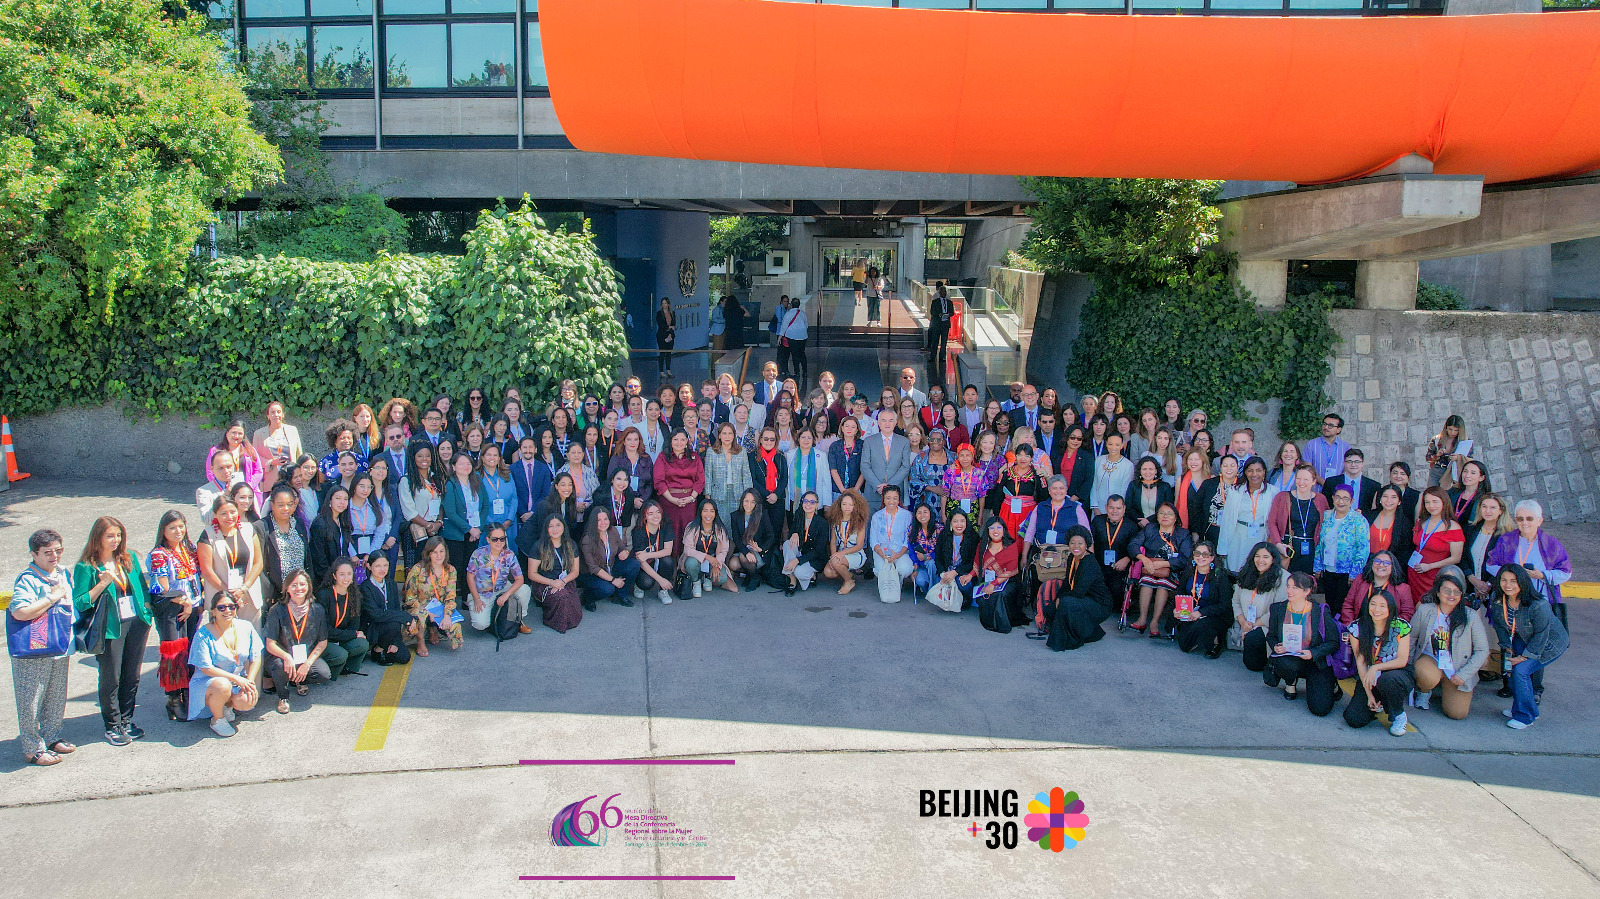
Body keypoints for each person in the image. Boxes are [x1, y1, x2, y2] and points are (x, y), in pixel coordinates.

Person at [70, 516, 153, 747]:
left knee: (132, 674)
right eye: (109, 536)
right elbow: (81, 602)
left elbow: (142, 588)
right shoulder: (86, 567)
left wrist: (146, 611)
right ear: (97, 538)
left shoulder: (130, 559)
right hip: (110, 627)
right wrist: (102, 583)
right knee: (111, 677)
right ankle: (112, 725)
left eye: (118, 535)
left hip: (136, 622)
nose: (115, 540)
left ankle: (126, 720)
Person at [9, 530, 78, 764]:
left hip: (59, 643)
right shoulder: (28, 579)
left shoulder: (62, 572)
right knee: (31, 698)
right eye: (47, 552)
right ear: (34, 554)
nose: (54, 556)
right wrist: (52, 597)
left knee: (56, 693)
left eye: (58, 551)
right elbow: (19, 611)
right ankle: (32, 747)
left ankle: (51, 736)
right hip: (34, 647)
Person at [1486, 563, 1569, 729]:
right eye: (1504, 580)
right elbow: (1500, 627)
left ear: (1522, 582)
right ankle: (1521, 708)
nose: (1508, 585)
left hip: (1548, 643)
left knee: (1521, 671)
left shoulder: (1538, 605)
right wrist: (1508, 650)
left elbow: (1542, 635)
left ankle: (1526, 716)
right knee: (1511, 670)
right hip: (1522, 637)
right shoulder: (1497, 601)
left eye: (1513, 581)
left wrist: (1524, 657)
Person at [1408, 572, 1490, 720]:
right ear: (1438, 593)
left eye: (1456, 591)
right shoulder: (1425, 610)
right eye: (1446, 590)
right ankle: (1424, 690)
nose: (1451, 595)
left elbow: (1482, 649)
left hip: (1458, 668)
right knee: (1425, 674)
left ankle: (1447, 688)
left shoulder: (1470, 616)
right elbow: (1411, 638)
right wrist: (1408, 665)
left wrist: (1464, 674)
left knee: (1457, 713)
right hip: (1431, 660)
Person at [147, 510, 204, 722]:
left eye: (181, 526)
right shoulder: (159, 555)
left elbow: (197, 578)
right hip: (172, 610)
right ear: (163, 530)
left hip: (193, 608)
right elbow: (162, 588)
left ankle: (188, 692)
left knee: (189, 649)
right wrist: (185, 602)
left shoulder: (189, 549)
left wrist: (199, 602)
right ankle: (173, 699)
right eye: (172, 528)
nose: (178, 531)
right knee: (174, 652)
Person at [1258, 572, 1342, 715]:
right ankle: (1291, 683)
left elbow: (1333, 642)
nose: (1289, 591)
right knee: (1283, 662)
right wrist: (1275, 646)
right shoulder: (1278, 609)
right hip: (1291, 657)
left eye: (1295, 587)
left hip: (1316, 660)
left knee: (1320, 709)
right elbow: (1271, 635)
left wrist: (1313, 653)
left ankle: (1331, 684)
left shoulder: (1320, 611)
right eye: (1288, 586)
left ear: (1307, 591)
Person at [185, 589, 264, 738]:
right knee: (223, 685)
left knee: (247, 701)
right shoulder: (203, 634)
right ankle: (217, 719)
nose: (227, 610)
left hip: (236, 680)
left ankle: (227, 706)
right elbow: (206, 668)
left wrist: (250, 681)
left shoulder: (245, 627)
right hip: (208, 682)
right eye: (221, 607)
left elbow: (256, 656)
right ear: (213, 611)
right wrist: (236, 679)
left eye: (231, 606)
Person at [1342, 589, 1415, 736]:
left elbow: (1402, 660)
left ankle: (1398, 715)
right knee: (1353, 719)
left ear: (1390, 608)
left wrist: (1376, 667)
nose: (1377, 609)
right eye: (1373, 604)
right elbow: (1361, 662)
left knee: (1387, 680)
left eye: (1382, 605)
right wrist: (1369, 695)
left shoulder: (1401, 626)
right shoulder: (1357, 628)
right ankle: (1379, 702)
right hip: (1370, 676)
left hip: (1396, 674)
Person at [261, 569, 331, 713]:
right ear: (287, 588)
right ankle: (283, 696)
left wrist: (307, 664)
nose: (298, 588)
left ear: (308, 587)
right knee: (280, 666)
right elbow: (270, 644)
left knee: (323, 674)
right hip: (281, 656)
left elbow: (322, 642)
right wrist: (286, 656)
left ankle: (300, 680)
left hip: (304, 656)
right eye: (293, 585)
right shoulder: (277, 610)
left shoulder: (317, 610)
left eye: (302, 584)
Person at [1484, 499, 1573, 609]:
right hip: (1511, 601)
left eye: (1529, 518)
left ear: (1539, 521)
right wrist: (1511, 575)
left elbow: (1565, 573)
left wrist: (1541, 575)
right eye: (1520, 519)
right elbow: (1490, 565)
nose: (1524, 523)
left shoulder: (1551, 544)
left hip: (1541, 603)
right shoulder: (1506, 540)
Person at [1039, 527, 1113, 651]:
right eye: (1072, 543)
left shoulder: (1089, 562)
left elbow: (1079, 591)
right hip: (1084, 598)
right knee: (1050, 609)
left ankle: (1066, 641)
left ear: (1086, 545)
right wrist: (1057, 600)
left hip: (1100, 604)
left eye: (1080, 543)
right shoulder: (1072, 558)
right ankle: (1093, 632)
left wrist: (1061, 600)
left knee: (1066, 603)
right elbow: (1068, 584)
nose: (1076, 546)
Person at [1127, 502, 1193, 636]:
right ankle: (1142, 619)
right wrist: (1144, 559)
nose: (1165, 516)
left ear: (1175, 517)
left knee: (1162, 584)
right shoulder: (1150, 529)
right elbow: (1133, 545)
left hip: (1172, 571)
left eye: (1169, 514)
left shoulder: (1183, 534)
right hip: (1150, 568)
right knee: (1147, 581)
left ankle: (1155, 622)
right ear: (1157, 516)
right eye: (1162, 513)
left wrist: (1164, 564)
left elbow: (1185, 558)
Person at [1313, 483, 1370, 618]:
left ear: (1351, 501)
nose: (1341, 501)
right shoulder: (1326, 517)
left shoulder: (1358, 520)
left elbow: (1363, 549)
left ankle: (1341, 634)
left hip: (1347, 574)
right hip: (1328, 570)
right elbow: (1320, 543)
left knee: (1343, 607)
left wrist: (1355, 573)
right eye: (1338, 497)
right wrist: (1318, 566)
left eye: (1345, 498)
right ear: (1332, 498)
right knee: (1330, 605)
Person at [1172, 541, 1234, 659]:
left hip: (1215, 614)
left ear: (1212, 558)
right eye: (1197, 553)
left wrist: (1201, 613)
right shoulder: (1189, 571)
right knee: (1185, 645)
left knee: (1201, 626)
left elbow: (1224, 604)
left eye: (1205, 554)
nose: (1200, 557)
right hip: (1192, 612)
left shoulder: (1219, 576)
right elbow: (1181, 592)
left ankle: (1217, 641)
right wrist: (1177, 608)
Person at [1217, 457, 1276, 573]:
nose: (1254, 474)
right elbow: (1227, 520)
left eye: (1258, 470)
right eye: (1250, 470)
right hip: (1239, 536)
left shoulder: (1273, 492)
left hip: (1261, 535)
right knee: (1237, 570)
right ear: (1245, 472)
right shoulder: (1235, 491)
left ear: (1264, 472)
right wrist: (1222, 549)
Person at [404, 536, 461, 654]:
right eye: (434, 552)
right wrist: (427, 612)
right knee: (420, 615)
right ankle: (420, 641)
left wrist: (446, 615)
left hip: (439, 607)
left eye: (441, 551)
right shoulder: (418, 569)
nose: (439, 555)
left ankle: (433, 630)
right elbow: (409, 598)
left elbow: (451, 596)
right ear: (428, 553)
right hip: (420, 606)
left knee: (455, 627)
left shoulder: (451, 570)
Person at [1267, 465, 1328, 576]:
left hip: (1310, 550)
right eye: (1299, 478)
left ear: (1314, 481)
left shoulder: (1321, 499)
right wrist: (1278, 544)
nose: (1301, 482)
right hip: (1287, 549)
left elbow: (1328, 521)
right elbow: (1272, 522)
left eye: (1306, 479)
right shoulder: (1282, 497)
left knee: (1305, 584)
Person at [315, 558, 370, 680]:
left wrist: (352, 634)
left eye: (349, 574)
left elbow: (354, 626)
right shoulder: (324, 595)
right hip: (324, 640)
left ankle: (346, 668)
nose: (346, 578)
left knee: (362, 644)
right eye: (342, 574)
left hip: (341, 638)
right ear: (334, 576)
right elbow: (325, 630)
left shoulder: (354, 595)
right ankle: (330, 669)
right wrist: (352, 634)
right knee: (341, 653)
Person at [1235, 543, 1286, 667]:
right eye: (1257, 556)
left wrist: (1254, 625)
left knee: (1253, 664)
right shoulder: (1246, 573)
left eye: (1265, 557)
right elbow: (1235, 601)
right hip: (1246, 624)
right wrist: (1242, 622)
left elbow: (1279, 609)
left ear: (1273, 559)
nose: (1260, 560)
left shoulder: (1282, 578)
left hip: (1267, 626)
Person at [1409, 487, 1464, 600]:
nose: (1431, 506)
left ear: (1444, 502)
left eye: (1435, 501)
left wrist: (1430, 566)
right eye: (1427, 502)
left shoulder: (1453, 527)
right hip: (1414, 574)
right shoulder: (1421, 521)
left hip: (1435, 576)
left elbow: (1456, 558)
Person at [973, 517, 1026, 633]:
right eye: (991, 527)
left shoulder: (1011, 545)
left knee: (1000, 594)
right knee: (983, 596)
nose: (995, 530)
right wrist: (969, 575)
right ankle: (990, 622)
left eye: (998, 527)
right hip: (988, 579)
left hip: (1008, 581)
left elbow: (1010, 571)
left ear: (1004, 529)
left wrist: (994, 584)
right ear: (987, 530)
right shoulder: (983, 545)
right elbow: (978, 563)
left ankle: (1002, 623)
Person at [359, 551, 412, 666]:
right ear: (369, 566)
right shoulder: (365, 587)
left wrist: (396, 641)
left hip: (389, 629)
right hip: (372, 627)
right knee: (393, 623)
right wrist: (405, 617)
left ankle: (381, 649)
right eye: (377, 566)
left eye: (385, 565)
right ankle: (378, 648)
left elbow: (395, 610)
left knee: (404, 657)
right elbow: (376, 614)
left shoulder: (391, 584)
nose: (382, 569)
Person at [654, 429, 705, 542]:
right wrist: (672, 499)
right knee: (671, 533)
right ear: (670, 441)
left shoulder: (694, 457)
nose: (679, 443)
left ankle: (687, 559)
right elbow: (659, 481)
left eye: (682, 439)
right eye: (675, 439)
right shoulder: (663, 457)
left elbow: (700, 480)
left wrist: (691, 498)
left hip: (689, 502)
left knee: (688, 534)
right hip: (669, 502)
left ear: (687, 441)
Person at [681, 498, 737, 597]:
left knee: (722, 579)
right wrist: (706, 557)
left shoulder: (720, 529)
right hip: (696, 560)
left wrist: (717, 565)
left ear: (715, 513)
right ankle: (696, 581)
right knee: (691, 563)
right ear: (700, 512)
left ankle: (707, 577)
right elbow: (688, 549)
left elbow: (724, 550)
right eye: (705, 511)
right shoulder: (692, 527)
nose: (708, 514)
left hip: (713, 561)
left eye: (712, 511)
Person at [868, 485, 914, 603]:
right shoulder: (877, 516)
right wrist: (882, 554)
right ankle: (888, 588)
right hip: (882, 552)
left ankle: (897, 584)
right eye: (888, 498)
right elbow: (873, 540)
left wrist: (897, 555)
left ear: (899, 499)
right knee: (881, 570)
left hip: (900, 552)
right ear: (883, 499)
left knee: (904, 568)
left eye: (895, 498)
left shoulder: (906, 515)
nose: (891, 501)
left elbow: (907, 540)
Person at [1460, 493, 1512, 599]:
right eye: (1484, 506)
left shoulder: (1507, 536)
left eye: (1493, 507)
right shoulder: (1470, 529)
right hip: (1469, 586)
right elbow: (1463, 557)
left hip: (1496, 590)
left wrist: (1487, 585)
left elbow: (1507, 565)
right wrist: (1473, 579)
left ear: (1501, 511)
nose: (1487, 511)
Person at [727, 489, 778, 592]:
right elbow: (736, 539)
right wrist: (746, 552)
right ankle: (752, 575)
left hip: (759, 551)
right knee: (733, 564)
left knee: (743, 557)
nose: (749, 504)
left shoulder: (762, 514)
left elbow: (771, 535)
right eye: (746, 501)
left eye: (752, 501)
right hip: (744, 549)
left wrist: (761, 549)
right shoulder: (735, 516)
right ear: (742, 501)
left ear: (756, 503)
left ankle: (754, 578)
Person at [862, 408, 911, 515]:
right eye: (884, 420)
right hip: (873, 493)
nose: (887, 423)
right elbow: (865, 466)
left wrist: (889, 486)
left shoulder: (904, 442)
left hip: (895, 494)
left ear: (895, 422)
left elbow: (905, 467)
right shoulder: (869, 441)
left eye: (890, 420)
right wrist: (877, 486)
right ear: (879, 423)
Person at [819, 491, 869, 595]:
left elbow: (859, 545)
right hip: (840, 553)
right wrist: (833, 556)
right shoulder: (835, 520)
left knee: (836, 563)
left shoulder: (860, 522)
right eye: (844, 504)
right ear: (839, 505)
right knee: (828, 572)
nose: (847, 507)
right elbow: (833, 541)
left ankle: (849, 582)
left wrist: (840, 555)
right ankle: (848, 574)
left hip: (856, 553)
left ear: (856, 506)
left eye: (851, 505)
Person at [1366, 485, 1415, 584]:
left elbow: (1404, 553)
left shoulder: (1405, 523)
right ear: (1379, 499)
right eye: (1385, 496)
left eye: (1394, 497)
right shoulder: (1368, 516)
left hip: (1390, 571)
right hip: (1367, 566)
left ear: (1399, 501)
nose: (1389, 500)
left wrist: (1389, 569)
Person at [632, 501, 678, 604]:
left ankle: (663, 591)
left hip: (658, 559)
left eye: (658, 512)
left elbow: (668, 550)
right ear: (644, 516)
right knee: (646, 583)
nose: (655, 516)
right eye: (650, 513)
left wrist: (648, 554)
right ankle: (638, 585)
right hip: (646, 564)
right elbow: (641, 561)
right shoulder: (638, 531)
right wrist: (660, 579)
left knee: (668, 561)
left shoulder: (666, 526)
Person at [308, 485, 354, 587]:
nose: (342, 502)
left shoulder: (343, 522)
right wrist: (331, 580)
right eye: (338, 498)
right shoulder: (320, 524)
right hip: (325, 581)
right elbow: (319, 560)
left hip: (341, 578)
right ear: (329, 500)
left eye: (345, 499)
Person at [253, 401, 304, 490]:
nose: (276, 415)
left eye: (279, 412)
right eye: (272, 412)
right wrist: (271, 462)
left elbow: (299, 454)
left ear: (283, 414)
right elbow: (255, 458)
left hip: (291, 477)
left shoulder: (292, 430)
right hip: (270, 479)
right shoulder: (259, 434)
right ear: (268, 416)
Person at [206, 419, 266, 495]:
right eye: (233, 433)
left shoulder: (250, 451)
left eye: (240, 433)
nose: (236, 436)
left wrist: (248, 486)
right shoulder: (215, 451)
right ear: (227, 433)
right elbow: (210, 472)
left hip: (246, 493)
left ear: (243, 435)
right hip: (223, 491)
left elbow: (258, 471)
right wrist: (222, 486)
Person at [1323, 448, 1381, 515]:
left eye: (1357, 462)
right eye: (1349, 461)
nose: (1353, 465)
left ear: (1362, 464)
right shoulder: (1331, 482)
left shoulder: (1373, 486)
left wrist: (1361, 513)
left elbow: (1375, 511)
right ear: (1344, 463)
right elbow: (1325, 506)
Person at [1089, 433, 1133, 517]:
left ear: (1121, 446)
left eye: (1117, 445)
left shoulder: (1128, 465)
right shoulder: (1099, 460)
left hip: (1116, 511)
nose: (1113, 447)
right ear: (1106, 444)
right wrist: (1095, 507)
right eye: (1110, 444)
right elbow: (1094, 484)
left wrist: (1117, 510)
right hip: (1098, 508)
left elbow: (1124, 490)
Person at [1123, 457, 1173, 531]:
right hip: (1138, 526)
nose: (1147, 472)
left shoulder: (1165, 487)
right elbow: (1129, 508)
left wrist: (1149, 520)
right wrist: (1140, 521)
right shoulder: (1133, 486)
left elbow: (1168, 508)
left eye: (1151, 469)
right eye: (1144, 469)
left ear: (1156, 471)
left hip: (1160, 527)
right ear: (1140, 471)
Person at [1301, 413, 1351, 484]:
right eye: (1324, 424)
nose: (1326, 427)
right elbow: (1307, 468)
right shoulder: (1311, 445)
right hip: (1315, 490)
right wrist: (1324, 483)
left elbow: (1348, 469)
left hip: (1337, 491)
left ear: (1338, 429)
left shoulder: (1346, 447)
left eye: (1330, 425)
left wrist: (1335, 485)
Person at [1424, 414, 1469, 489]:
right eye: (1450, 429)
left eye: (1456, 430)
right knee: (1432, 493)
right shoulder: (1437, 439)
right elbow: (1428, 458)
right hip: (1437, 471)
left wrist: (1458, 458)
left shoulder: (1465, 442)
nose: (1453, 433)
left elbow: (1470, 459)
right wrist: (1437, 455)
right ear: (1446, 428)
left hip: (1454, 472)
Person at [1448, 460, 1489, 527]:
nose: (1467, 475)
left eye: (1473, 473)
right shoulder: (1452, 493)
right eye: (1465, 471)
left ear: (1481, 478)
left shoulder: (1485, 499)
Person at [655, 296, 676, 379]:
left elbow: (674, 324)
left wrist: (670, 332)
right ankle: (661, 371)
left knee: (669, 353)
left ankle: (668, 370)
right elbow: (661, 325)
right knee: (662, 353)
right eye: (662, 303)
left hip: (670, 335)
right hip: (662, 335)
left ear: (668, 304)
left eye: (665, 303)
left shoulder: (672, 313)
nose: (664, 305)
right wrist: (669, 328)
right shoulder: (659, 313)